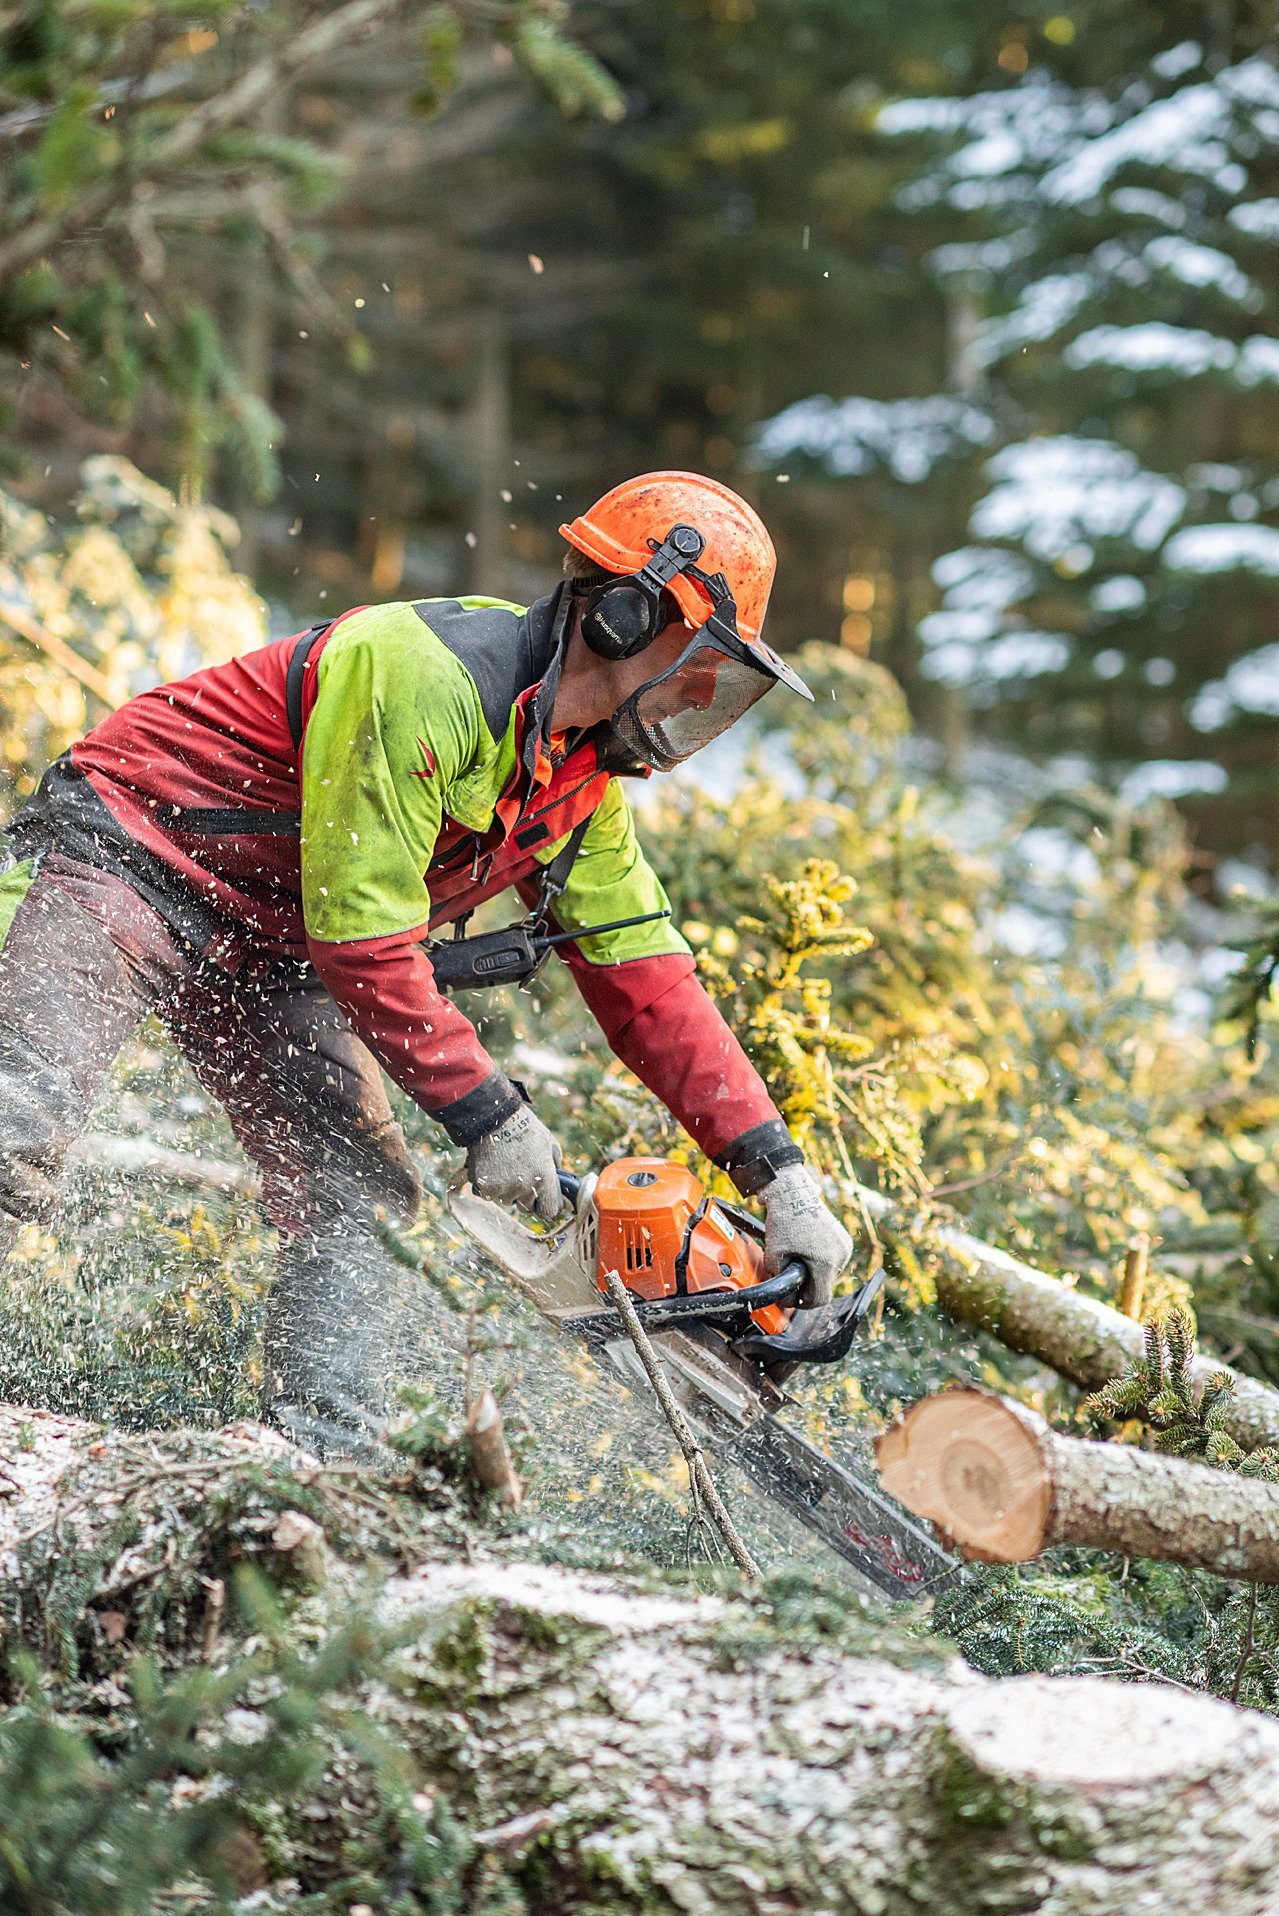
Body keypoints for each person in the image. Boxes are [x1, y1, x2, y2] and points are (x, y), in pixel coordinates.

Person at [0, 469, 853, 1455]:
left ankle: (322, 1471)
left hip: (281, 942)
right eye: (702, 659)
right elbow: (364, 938)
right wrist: (491, 1115)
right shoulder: (423, 674)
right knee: (19, 1109)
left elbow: (648, 980)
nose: (708, 692)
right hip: (130, 853)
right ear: (625, 613)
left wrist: (776, 1173)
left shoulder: (575, 783)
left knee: (363, 1199)